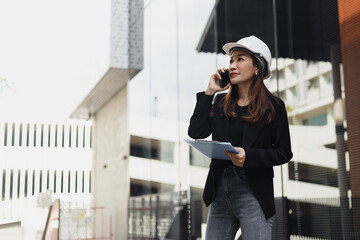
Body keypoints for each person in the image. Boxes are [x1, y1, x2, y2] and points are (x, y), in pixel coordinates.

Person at [188, 35, 293, 240]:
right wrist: (209, 92)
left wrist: (249, 156)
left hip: (253, 195)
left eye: (240, 59)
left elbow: (283, 152)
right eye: (231, 60)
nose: (232, 65)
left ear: (257, 67)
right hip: (220, 194)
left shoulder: (274, 106)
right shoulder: (219, 102)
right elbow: (196, 132)